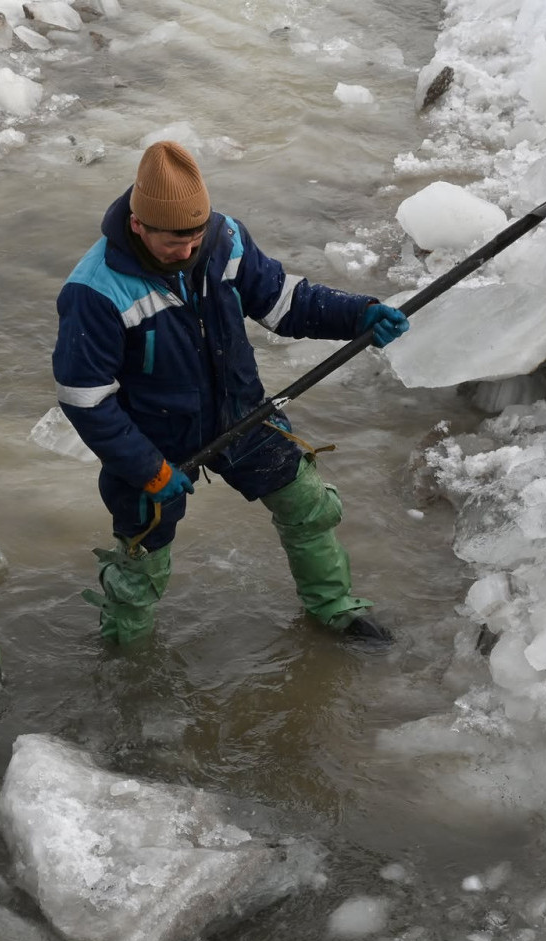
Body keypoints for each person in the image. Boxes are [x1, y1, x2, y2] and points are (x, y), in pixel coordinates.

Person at [52, 140, 410, 646]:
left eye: (195, 238)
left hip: (239, 412)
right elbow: (85, 399)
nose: (187, 252)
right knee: (141, 564)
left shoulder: (226, 240)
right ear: (138, 225)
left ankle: (334, 610)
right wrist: (148, 470)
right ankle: (125, 658)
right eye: (173, 243)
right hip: (150, 441)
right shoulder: (94, 290)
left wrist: (358, 314)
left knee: (309, 504)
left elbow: (284, 303)